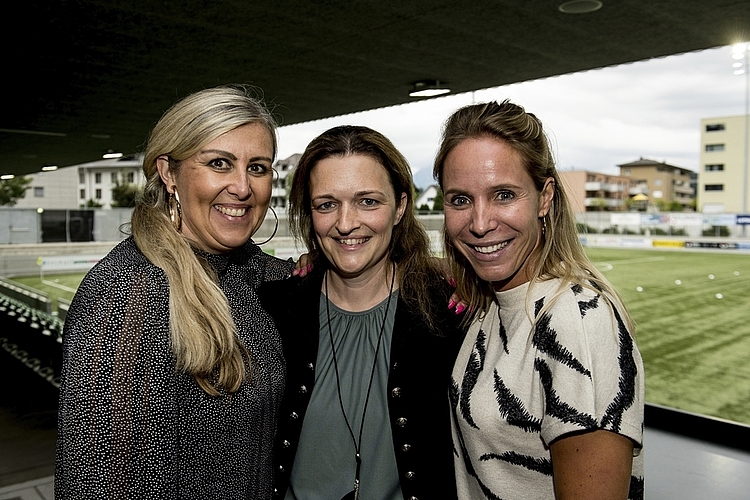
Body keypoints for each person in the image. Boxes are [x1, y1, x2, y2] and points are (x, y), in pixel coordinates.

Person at [55, 85, 297, 499]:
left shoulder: (259, 274)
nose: (242, 187)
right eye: (219, 163)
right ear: (169, 173)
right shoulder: (127, 294)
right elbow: (99, 481)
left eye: (258, 167)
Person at [433, 100, 645, 500]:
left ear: (544, 197)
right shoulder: (495, 303)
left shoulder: (578, 320)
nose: (480, 223)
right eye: (460, 200)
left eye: (504, 195)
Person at [260, 125, 463, 500]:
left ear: (401, 205)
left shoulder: (450, 314)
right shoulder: (274, 311)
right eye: (326, 204)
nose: (346, 223)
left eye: (368, 201)